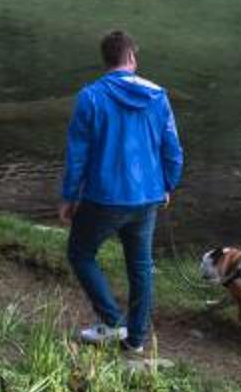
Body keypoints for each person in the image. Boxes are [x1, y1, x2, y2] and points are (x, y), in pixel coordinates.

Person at [59, 27, 183, 352]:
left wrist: (70, 196)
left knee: (80, 253)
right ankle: (136, 341)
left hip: (104, 196)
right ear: (131, 57)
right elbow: (172, 148)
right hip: (148, 196)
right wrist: (168, 183)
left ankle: (113, 322)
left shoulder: (90, 96)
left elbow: (77, 154)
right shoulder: (158, 96)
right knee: (140, 267)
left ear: (106, 60)